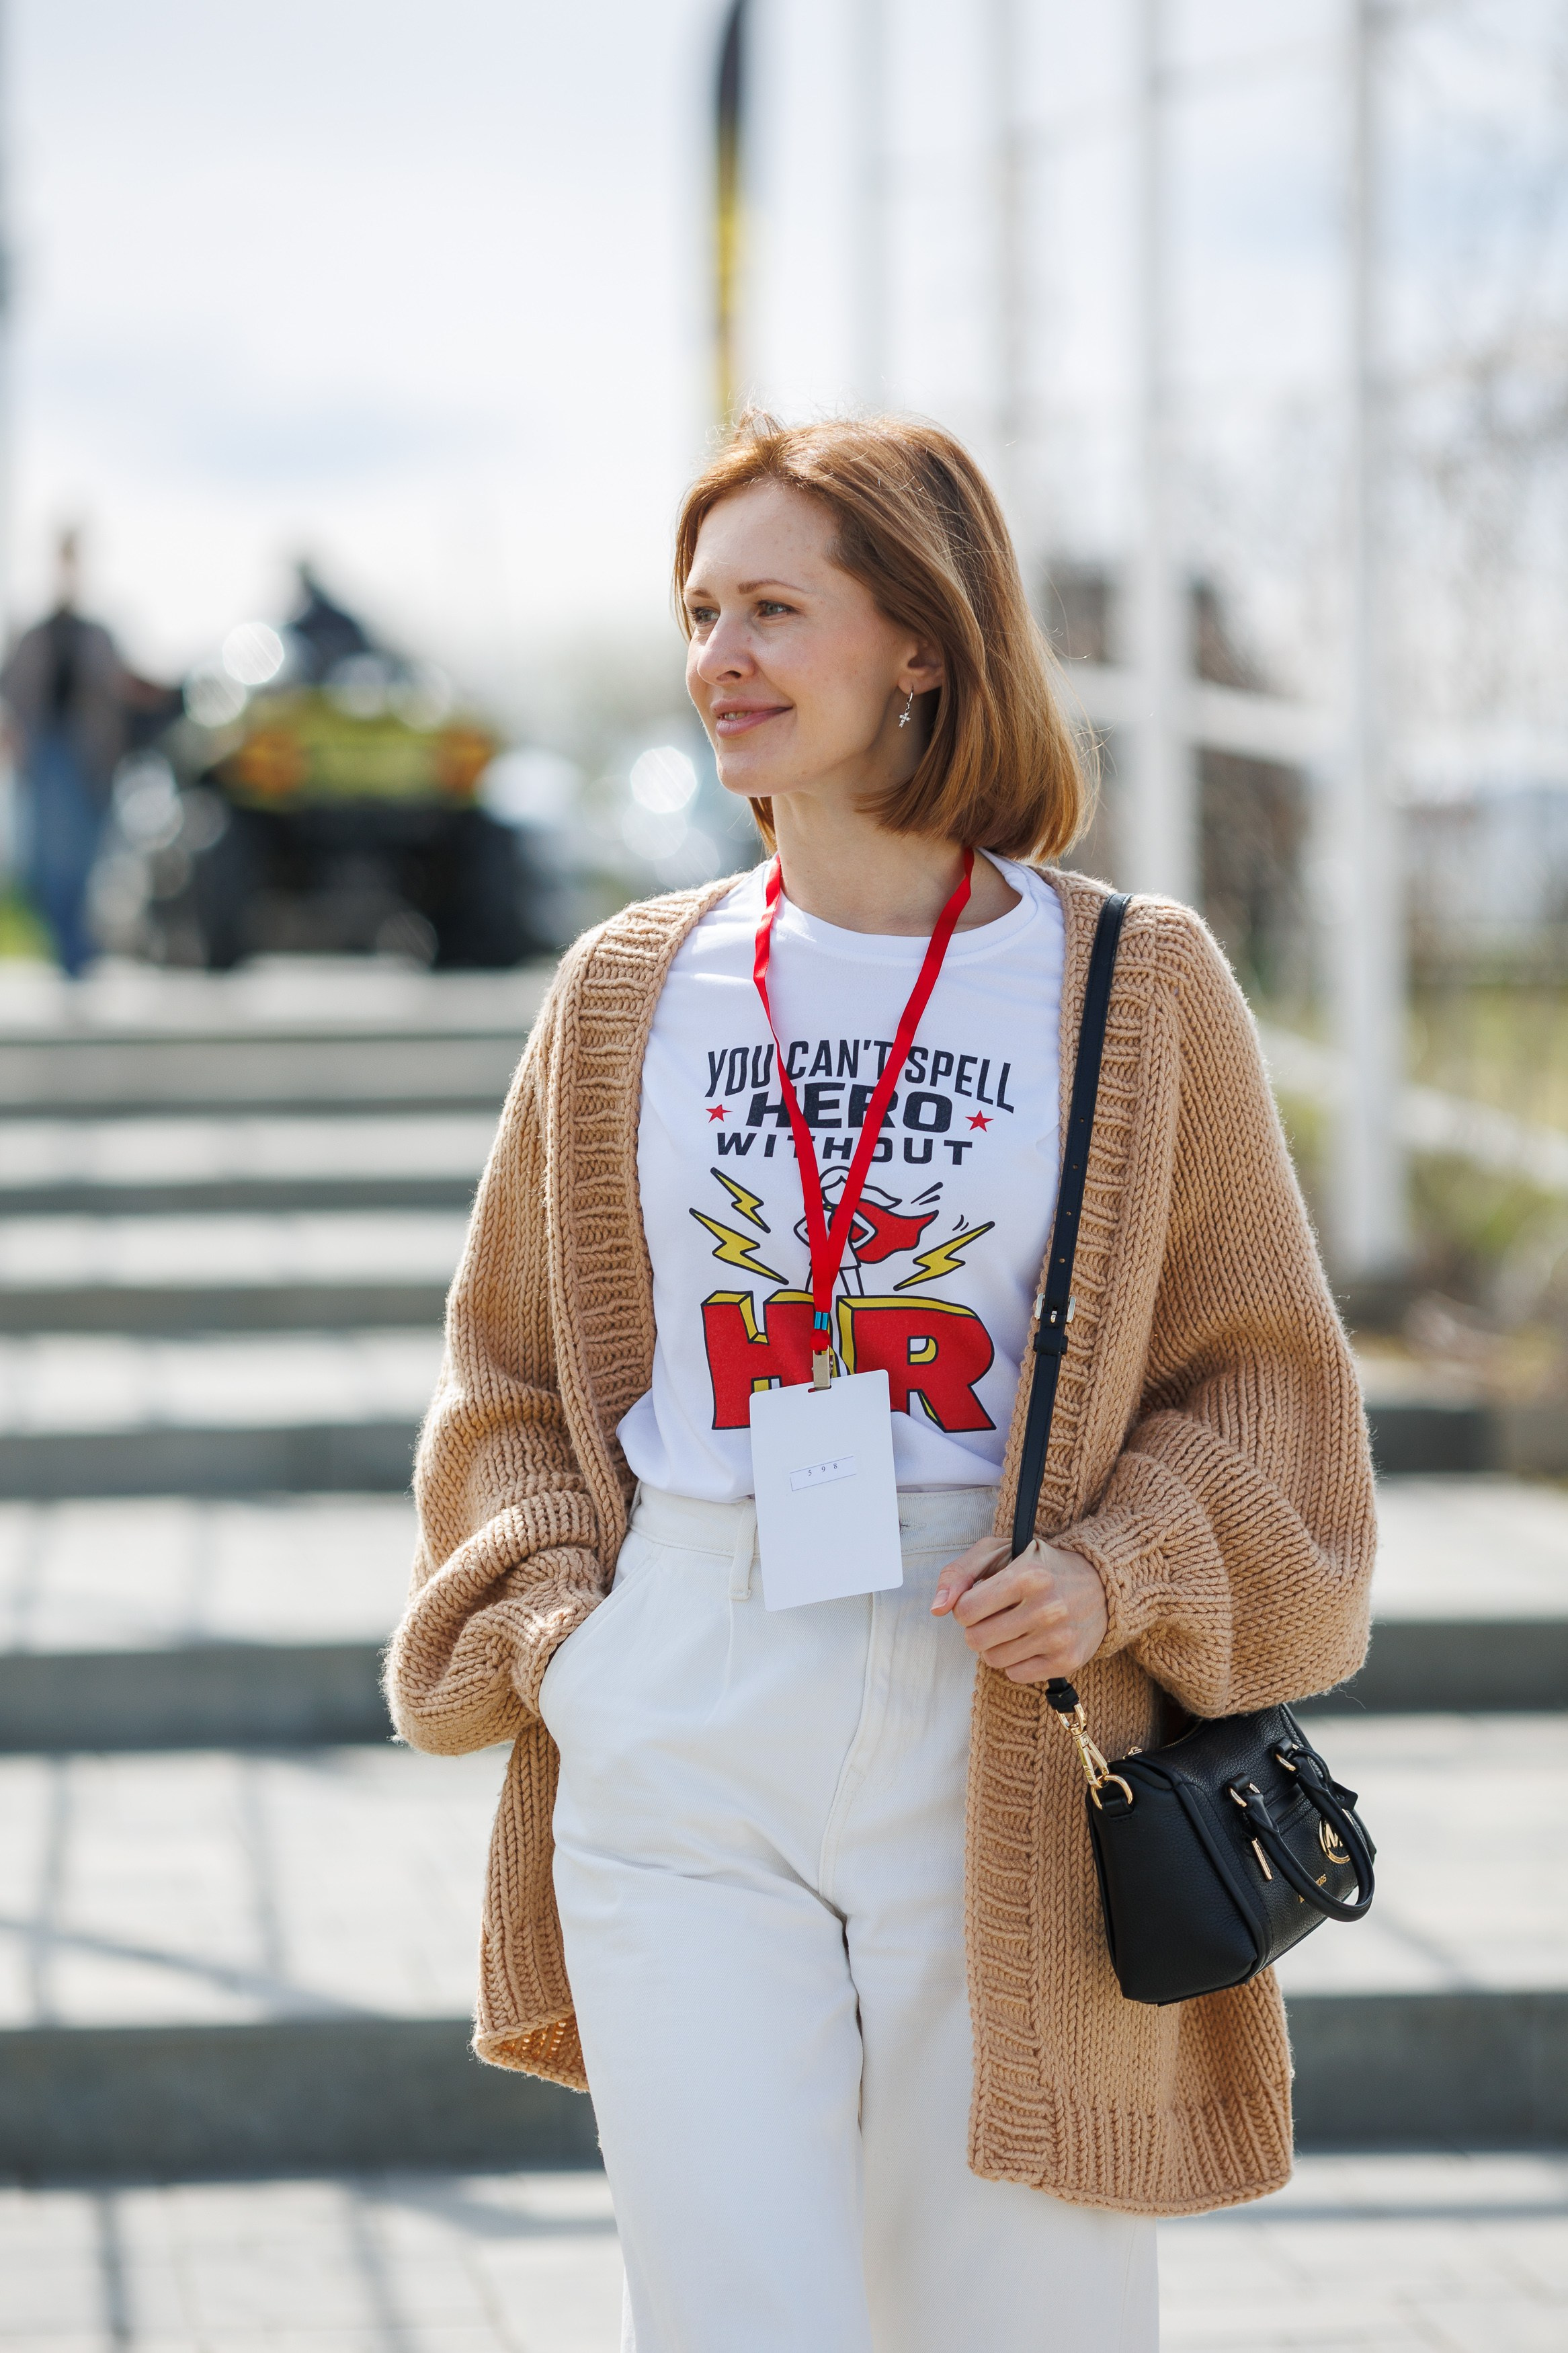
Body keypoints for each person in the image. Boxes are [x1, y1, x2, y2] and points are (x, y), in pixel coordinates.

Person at [388, 413, 1376, 2353]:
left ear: (920, 642)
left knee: (1021, 2311)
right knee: (732, 2314)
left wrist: (1121, 1569)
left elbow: (1259, 1380)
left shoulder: (1125, 981)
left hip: (1000, 1702)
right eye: (698, 612)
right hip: (685, 1676)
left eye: (775, 607)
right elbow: (507, 1368)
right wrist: (570, 1640)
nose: (720, 658)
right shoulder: (623, 990)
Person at [1, 530, 136, 976]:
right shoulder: (34, 634)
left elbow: (118, 696)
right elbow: (16, 696)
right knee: (44, 863)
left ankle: (78, 951)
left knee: (82, 859)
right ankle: (67, 949)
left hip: (86, 761)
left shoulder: (98, 633)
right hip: (45, 757)